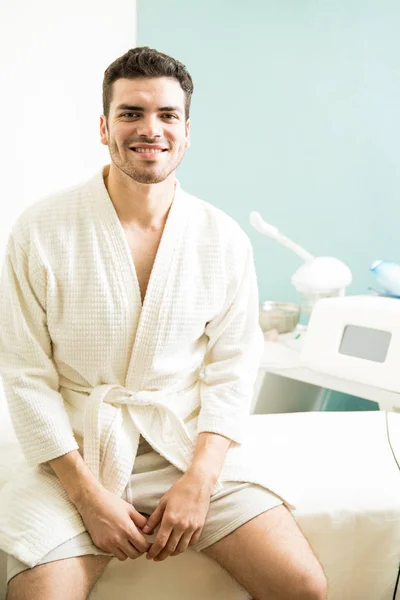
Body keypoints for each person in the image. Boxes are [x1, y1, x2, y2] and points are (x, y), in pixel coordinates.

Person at [0, 46, 327, 600]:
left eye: (166, 115)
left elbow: (232, 368)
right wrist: (87, 498)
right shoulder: (40, 231)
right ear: (104, 127)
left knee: (304, 587)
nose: (149, 129)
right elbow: (25, 374)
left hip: (182, 447)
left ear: (186, 130)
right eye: (131, 113)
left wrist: (199, 482)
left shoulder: (221, 238)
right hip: (75, 455)